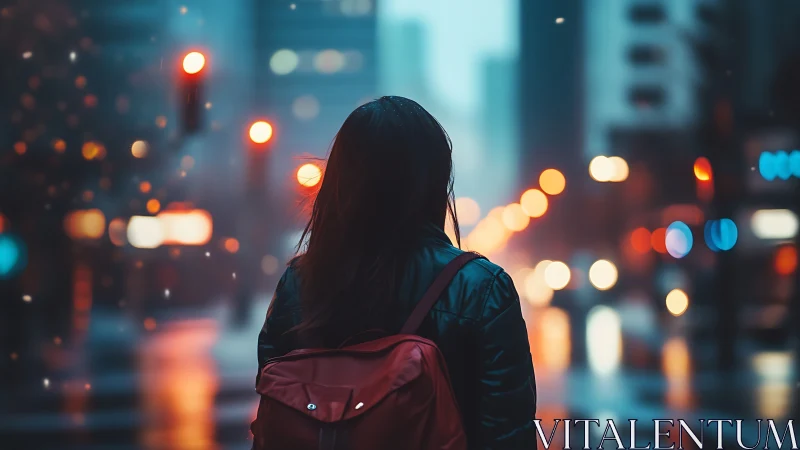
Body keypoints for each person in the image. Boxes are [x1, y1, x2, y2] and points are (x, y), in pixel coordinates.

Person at [256, 96, 537, 448]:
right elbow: (507, 434)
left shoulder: (299, 286)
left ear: (341, 180)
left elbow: (275, 420)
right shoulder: (481, 289)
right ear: (434, 181)